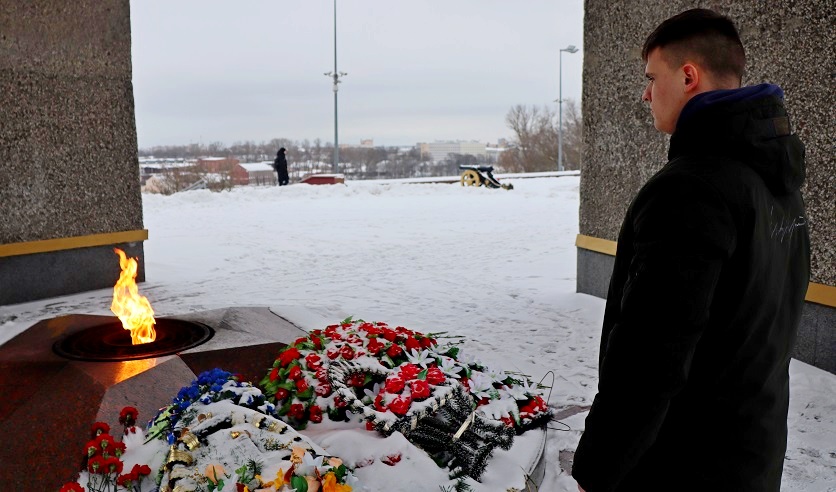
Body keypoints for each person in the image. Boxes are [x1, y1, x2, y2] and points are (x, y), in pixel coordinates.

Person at [572, 8, 809, 492]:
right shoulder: (778, 186)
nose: (646, 93)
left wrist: (596, 469)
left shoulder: (691, 190)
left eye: (651, 78)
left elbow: (651, 354)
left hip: (683, 466)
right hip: (753, 457)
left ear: (687, 76)